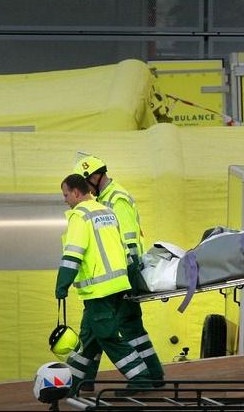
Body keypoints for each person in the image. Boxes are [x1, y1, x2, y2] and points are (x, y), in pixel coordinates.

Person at [55, 173, 153, 396]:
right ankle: (76, 381)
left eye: (66, 194)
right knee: (89, 336)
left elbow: (73, 254)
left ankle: (140, 377)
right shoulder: (107, 211)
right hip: (118, 284)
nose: (65, 199)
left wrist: (62, 285)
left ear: (77, 192)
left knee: (107, 336)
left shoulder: (79, 216)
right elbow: (123, 247)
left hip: (99, 290)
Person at [73, 153, 165, 388]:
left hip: (122, 274)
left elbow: (128, 241)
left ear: (95, 176)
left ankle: (144, 378)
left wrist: (127, 274)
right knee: (125, 326)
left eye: (86, 183)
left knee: (111, 327)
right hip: (120, 275)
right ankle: (152, 374)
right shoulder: (107, 198)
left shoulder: (116, 199)